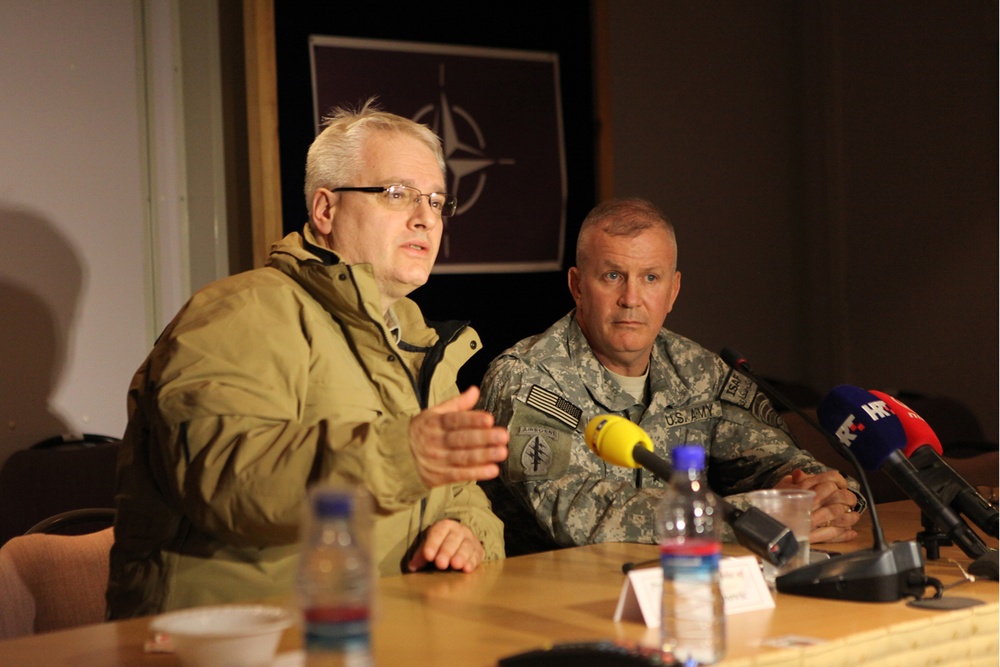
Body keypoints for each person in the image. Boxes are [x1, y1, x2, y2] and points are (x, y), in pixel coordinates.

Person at [106, 100, 510, 618]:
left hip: (381, 628)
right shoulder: (241, 312)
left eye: (436, 201)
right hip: (237, 639)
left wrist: (467, 535)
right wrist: (400, 459)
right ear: (325, 210)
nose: (424, 218)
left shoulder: (416, 339)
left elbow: (465, 498)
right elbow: (225, 479)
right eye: (396, 194)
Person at [478, 198, 863, 556]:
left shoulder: (701, 371)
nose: (631, 298)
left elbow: (781, 463)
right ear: (578, 286)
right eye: (613, 276)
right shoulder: (528, 379)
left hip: (683, 584)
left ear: (673, 290)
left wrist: (826, 495)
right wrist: (757, 517)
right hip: (550, 600)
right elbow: (574, 511)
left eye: (650, 278)